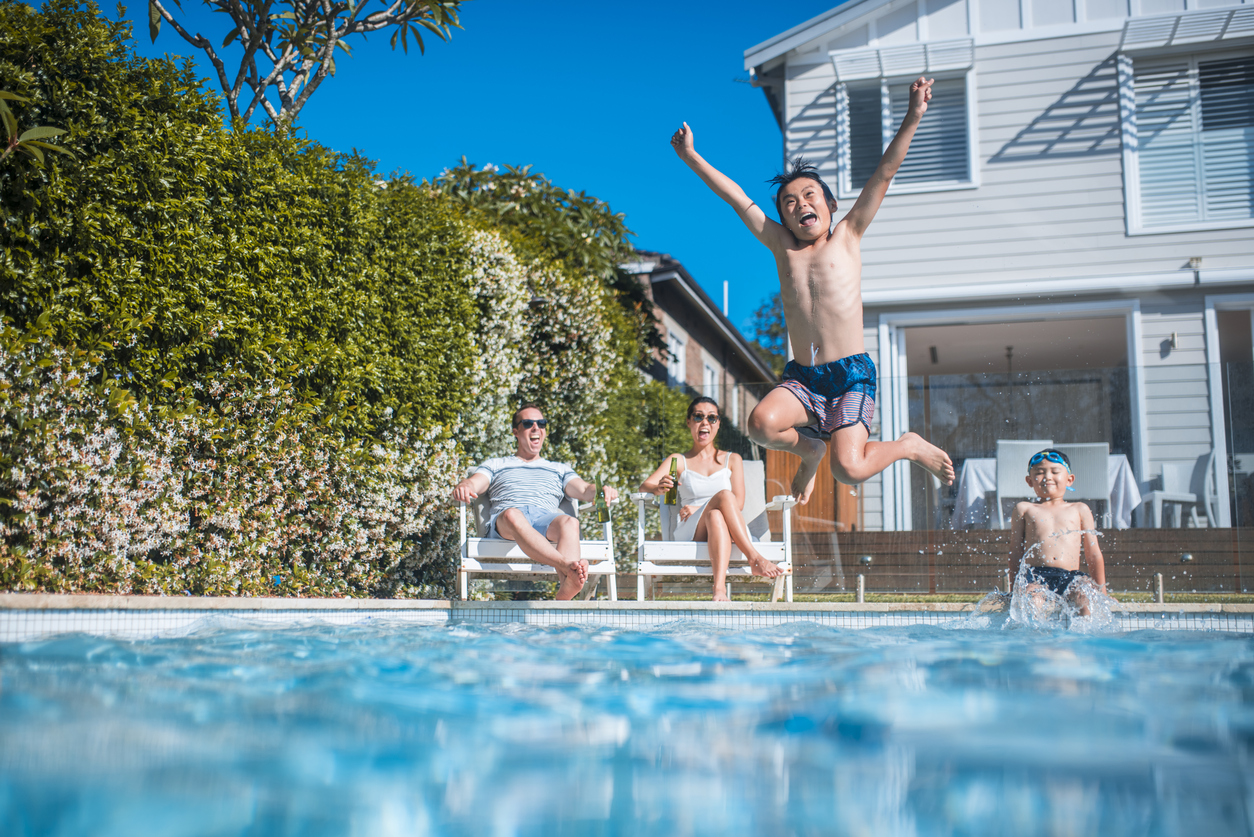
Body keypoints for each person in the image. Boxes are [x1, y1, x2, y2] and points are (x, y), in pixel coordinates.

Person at [670, 76, 954, 505]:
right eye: (789, 202)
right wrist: (692, 157)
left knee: (850, 469)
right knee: (760, 424)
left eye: (809, 196)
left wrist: (912, 116)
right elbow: (738, 199)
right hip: (804, 378)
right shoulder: (781, 246)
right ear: (782, 219)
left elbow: (885, 172)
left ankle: (907, 446)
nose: (801, 204)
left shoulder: (848, 235)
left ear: (831, 205)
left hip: (850, 377)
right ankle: (810, 449)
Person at [451, 404, 617, 601]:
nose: (536, 428)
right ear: (516, 431)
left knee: (570, 522)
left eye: (541, 423)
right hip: (507, 521)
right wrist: (465, 484)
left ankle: (564, 596)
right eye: (528, 423)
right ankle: (567, 566)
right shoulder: (496, 464)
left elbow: (583, 489)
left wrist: (600, 490)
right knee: (513, 514)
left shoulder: (559, 469)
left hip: (543, 519)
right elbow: (476, 482)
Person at [639, 396, 784, 601]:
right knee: (724, 495)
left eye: (712, 418)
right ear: (689, 422)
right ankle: (755, 558)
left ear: (718, 424)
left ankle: (719, 591)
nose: (705, 422)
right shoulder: (678, 460)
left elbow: (739, 503)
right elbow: (645, 486)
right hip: (692, 529)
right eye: (698, 417)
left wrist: (698, 506)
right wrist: (659, 487)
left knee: (716, 515)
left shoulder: (732, 459)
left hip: (724, 524)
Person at [1009, 449, 1108, 615]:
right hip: (1035, 576)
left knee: (1084, 599)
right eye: (1040, 473)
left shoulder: (1079, 509)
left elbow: (1093, 554)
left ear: (1070, 480)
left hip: (1070, 576)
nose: (1047, 477)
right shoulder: (1024, 509)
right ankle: (1036, 640)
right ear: (1029, 481)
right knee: (1032, 601)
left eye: (1055, 472)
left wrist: (1103, 593)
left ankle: (1085, 640)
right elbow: (1015, 553)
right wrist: (1014, 591)